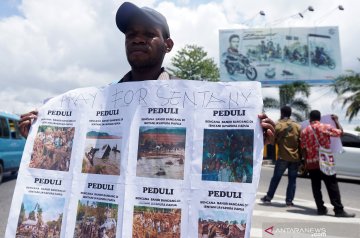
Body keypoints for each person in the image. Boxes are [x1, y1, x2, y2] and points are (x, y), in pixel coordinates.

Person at [18, 2, 275, 147]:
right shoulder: (101, 102)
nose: (137, 40)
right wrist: (37, 132)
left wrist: (252, 135)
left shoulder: (195, 101)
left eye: (149, 34)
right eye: (131, 35)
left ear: (168, 44)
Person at [300, 110, 355, 217]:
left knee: (316, 186)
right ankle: (338, 210)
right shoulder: (325, 127)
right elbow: (340, 132)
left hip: (312, 162)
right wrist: (336, 120)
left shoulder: (304, 131)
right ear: (319, 118)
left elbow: (303, 148)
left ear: (310, 119)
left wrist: (305, 162)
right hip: (325, 161)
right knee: (332, 185)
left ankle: (320, 209)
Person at [261, 106, 301, 206]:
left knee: (276, 178)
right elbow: (301, 142)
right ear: (290, 113)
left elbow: (272, 142)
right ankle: (289, 201)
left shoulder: (279, 125)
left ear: (282, 113)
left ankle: (268, 197)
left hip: (283, 157)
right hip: (295, 157)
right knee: (292, 180)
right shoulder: (298, 126)